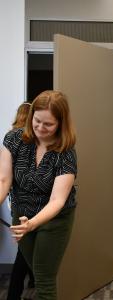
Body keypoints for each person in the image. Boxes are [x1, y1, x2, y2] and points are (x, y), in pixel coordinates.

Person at [0, 90, 77, 300]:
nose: (40, 128)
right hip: (21, 214)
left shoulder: (66, 151)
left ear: (61, 124)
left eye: (48, 124)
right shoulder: (13, 139)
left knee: (43, 278)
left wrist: (32, 224)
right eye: (37, 121)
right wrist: (24, 222)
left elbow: (58, 200)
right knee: (34, 267)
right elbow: (4, 181)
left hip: (54, 220)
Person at [7, 102, 35, 300]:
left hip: (15, 201)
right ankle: (13, 295)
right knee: (25, 251)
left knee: (27, 248)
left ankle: (31, 282)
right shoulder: (17, 140)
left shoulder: (12, 139)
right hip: (21, 202)